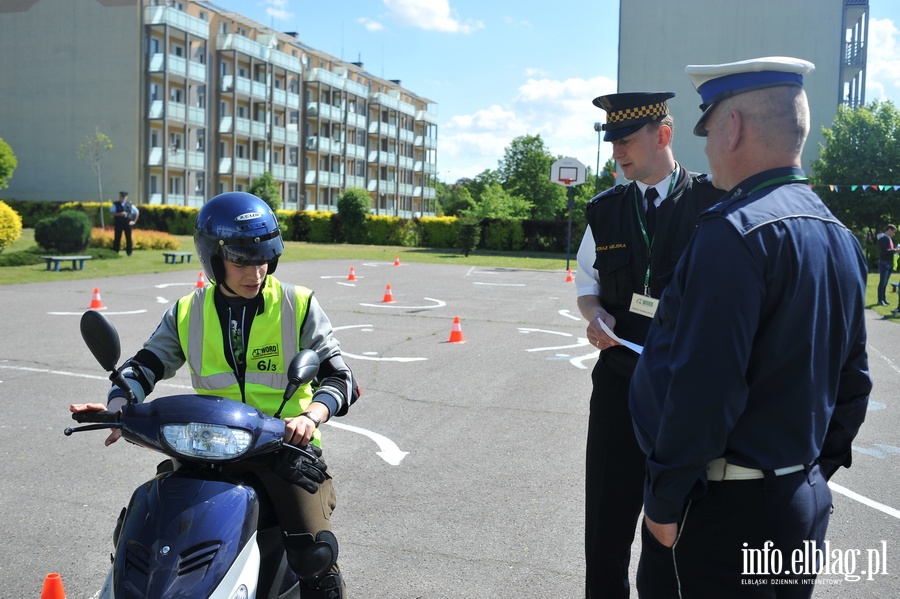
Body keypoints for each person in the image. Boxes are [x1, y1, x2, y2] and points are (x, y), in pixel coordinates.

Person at [629, 57, 872, 597]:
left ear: (733, 127)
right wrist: (806, 474)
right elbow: (853, 382)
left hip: (722, 514)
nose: (708, 148)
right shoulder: (839, 236)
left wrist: (665, 500)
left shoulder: (733, 233)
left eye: (709, 130)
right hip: (795, 502)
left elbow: (704, 387)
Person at [71, 191, 356, 598]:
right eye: (241, 260)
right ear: (213, 258)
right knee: (148, 526)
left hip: (284, 447)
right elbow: (145, 364)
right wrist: (119, 404)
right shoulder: (189, 310)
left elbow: (341, 377)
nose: (255, 272)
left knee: (313, 551)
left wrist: (311, 415)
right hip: (207, 446)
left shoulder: (298, 304)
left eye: (263, 260)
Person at [574, 92, 723, 598]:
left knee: (684, 529)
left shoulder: (714, 203)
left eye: (626, 139)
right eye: (610, 139)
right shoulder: (605, 210)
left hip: (689, 392)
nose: (616, 150)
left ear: (663, 135)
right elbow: (587, 288)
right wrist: (595, 317)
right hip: (619, 387)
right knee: (606, 528)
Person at [110, 191, 139, 256]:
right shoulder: (116, 204)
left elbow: (137, 212)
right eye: (122, 196)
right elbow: (112, 212)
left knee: (128, 238)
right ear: (120, 197)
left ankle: (129, 252)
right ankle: (115, 252)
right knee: (117, 238)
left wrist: (134, 221)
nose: (123, 198)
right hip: (118, 223)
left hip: (127, 223)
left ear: (126, 197)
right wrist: (119, 214)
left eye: (124, 196)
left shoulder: (130, 204)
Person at [876, 224, 897, 306]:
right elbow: (883, 251)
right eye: (893, 232)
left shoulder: (888, 239)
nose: (893, 234)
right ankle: (880, 299)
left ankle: (883, 298)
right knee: (882, 282)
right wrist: (895, 250)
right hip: (884, 263)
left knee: (885, 282)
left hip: (889, 262)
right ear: (889, 230)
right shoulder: (883, 239)